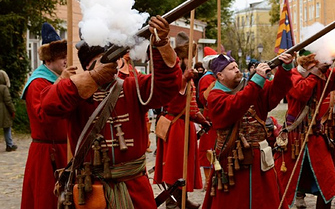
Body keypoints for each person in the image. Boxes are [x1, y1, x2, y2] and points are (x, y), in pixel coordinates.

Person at [41, 16, 182, 209]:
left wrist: (161, 43)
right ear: (89, 65)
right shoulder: (76, 91)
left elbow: (168, 86)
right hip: (92, 190)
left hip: (134, 188)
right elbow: (48, 105)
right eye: (99, 62)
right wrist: (93, 78)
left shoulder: (133, 86)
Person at [275, 46, 335, 209]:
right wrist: (317, 73)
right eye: (314, 65)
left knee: (328, 181)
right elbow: (301, 92)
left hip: (316, 136)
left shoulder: (319, 75)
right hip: (294, 137)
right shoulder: (292, 75)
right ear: (306, 63)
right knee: (285, 183)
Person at [202, 52, 294, 209]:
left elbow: (275, 92)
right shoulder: (215, 96)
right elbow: (237, 105)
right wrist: (257, 79)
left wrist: (285, 68)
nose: (237, 70)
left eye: (237, 66)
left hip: (259, 159)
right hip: (232, 160)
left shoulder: (251, 88)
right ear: (220, 75)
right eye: (231, 68)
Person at [20, 22, 77, 209]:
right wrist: (61, 84)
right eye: (61, 57)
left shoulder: (58, 78)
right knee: (47, 200)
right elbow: (43, 117)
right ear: (49, 60)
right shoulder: (38, 83)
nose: (65, 61)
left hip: (64, 149)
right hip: (47, 154)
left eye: (66, 56)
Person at [154, 31, 210, 209]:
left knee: (182, 167)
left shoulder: (186, 72)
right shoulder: (175, 72)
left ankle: (182, 199)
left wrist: (202, 120)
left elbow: (192, 106)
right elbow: (173, 92)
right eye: (189, 57)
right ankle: (173, 203)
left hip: (184, 124)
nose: (191, 60)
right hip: (175, 125)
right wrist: (184, 79)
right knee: (174, 168)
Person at [197, 47, 219, 191]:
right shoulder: (207, 78)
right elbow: (205, 98)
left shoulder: (215, 76)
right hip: (209, 117)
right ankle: (208, 180)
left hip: (217, 116)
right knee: (207, 149)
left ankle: (216, 177)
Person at [0, 70, 17, 152]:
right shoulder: (4, 88)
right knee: (7, 128)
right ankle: (9, 145)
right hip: (3, 111)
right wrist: (13, 110)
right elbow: (8, 101)